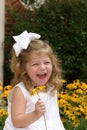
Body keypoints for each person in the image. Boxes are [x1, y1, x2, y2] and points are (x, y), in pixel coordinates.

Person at [3, 30, 65, 130]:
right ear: (23, 68)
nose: (42, 67)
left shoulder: (51, 88)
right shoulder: (21, 91)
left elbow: (53, 118)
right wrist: (35, 114)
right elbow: (17, 121)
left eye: (46, 62)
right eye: (35, 64)